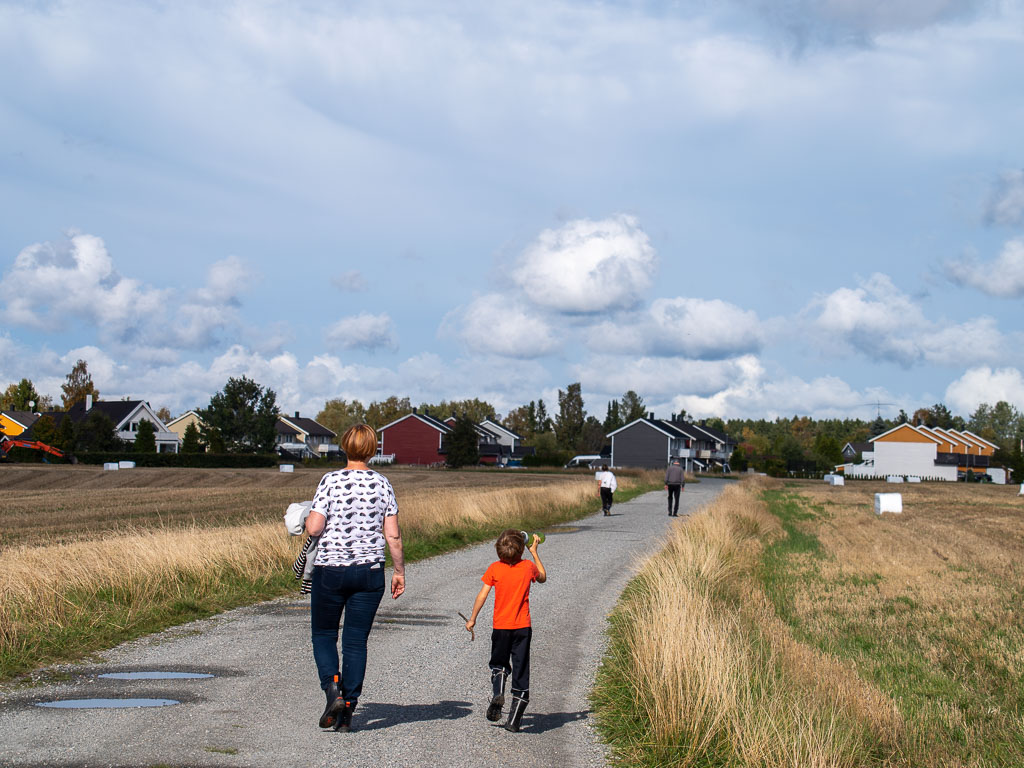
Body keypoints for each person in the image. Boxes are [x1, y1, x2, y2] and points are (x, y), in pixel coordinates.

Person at [305, 424, 406, 732]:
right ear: (373, 449)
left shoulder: (330, 481)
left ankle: (332, 690)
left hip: (330, 571)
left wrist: (305, 516)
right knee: (355, 640)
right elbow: (393, 535)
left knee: (324, 635)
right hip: (369, 572)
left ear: (345, 447)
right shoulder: (382, 483)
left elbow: (314, 528)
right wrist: (399, 571)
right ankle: (348, 709)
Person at [464, 529, 547, 732]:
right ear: (521, 551)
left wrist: (472, 619)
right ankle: (514, 721)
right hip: (522, 628)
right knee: (521, 669)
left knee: (499, 663)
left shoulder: (495, 568)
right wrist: (534, 552)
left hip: (501, 627)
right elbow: (543, 577)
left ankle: (498, 691)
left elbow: (482, 595)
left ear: (498, 552)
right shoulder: (528, 566)